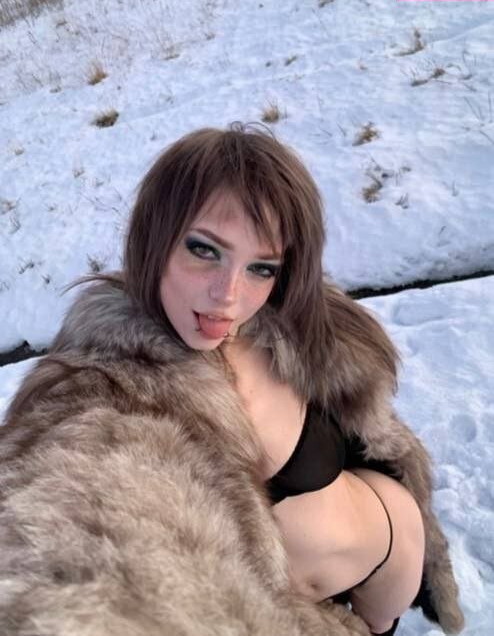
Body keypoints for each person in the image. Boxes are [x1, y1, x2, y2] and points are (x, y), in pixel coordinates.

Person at [0, 124, 463, 636]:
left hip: (382, 590)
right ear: (154, 238)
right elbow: (72, 518)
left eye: (261, 267)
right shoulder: (109, 383)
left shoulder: (301, 329)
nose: (229, 295)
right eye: (205, 250)